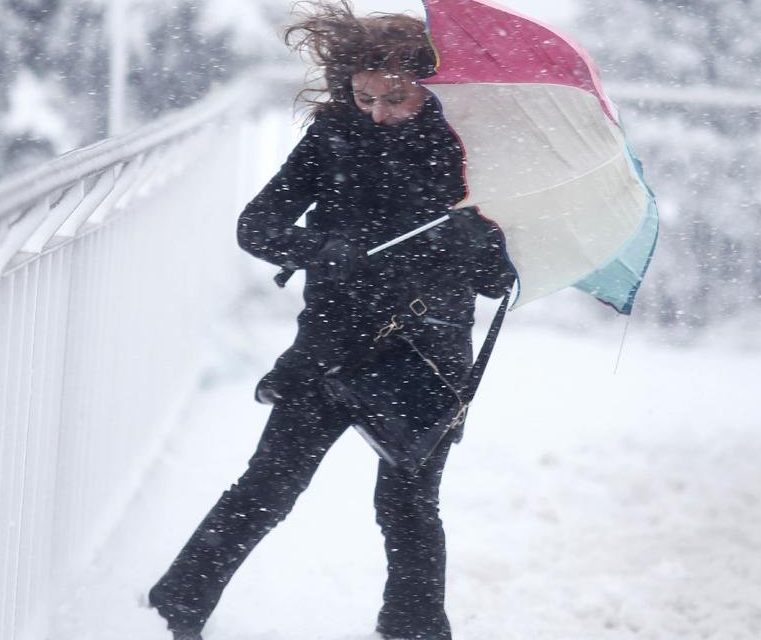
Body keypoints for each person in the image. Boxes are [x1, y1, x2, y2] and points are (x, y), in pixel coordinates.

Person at [147, 3, 516, 639]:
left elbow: (498, 279)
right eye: (364, 97)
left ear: (429, 87)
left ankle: (414, 629)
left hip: (427, 355)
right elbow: (256, 226)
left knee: (407, 507)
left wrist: (471, 243)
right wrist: (326, 249)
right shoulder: (334, 138)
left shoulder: (471, 152)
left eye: (395, 99)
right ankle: (173, 610)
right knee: (269, 488)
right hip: (330, 347)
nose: (378, 113)